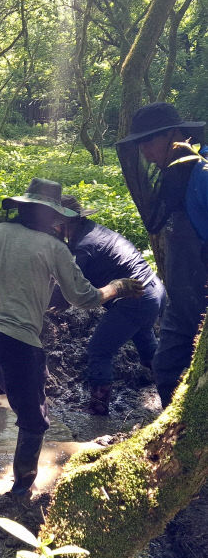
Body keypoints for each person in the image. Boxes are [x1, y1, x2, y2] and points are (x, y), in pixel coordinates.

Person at [0, 178, 144, 500]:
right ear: (54, 218)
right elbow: (84, 298)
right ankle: (20, 492)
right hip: (18, 343)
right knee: (33, 418)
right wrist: (116, 287)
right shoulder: (55, 248)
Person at [116, 102, 208, 407]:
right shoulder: (174, 177)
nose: (144, 152)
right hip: (181, 300)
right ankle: (176, 437)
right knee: (166, 368)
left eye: (148, 142)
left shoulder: (203, 174)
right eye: (139, 144)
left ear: (175, 135)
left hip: (201, 298)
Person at [50, 195, 166, 415]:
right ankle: (173, 395)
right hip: (153, 291)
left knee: (99, 351)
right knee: (149, 351)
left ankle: (97, 408)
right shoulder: (91, 231)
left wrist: (43, 301)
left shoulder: (84, 246)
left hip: (134, 299)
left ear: (63, 223)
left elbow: (70, 288)